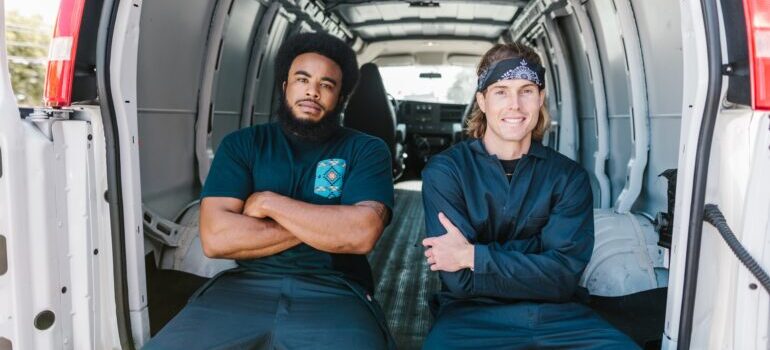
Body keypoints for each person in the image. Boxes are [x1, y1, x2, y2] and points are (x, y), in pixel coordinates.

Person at [144, 32, 395, 349]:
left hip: (336, 291)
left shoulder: (366, 149)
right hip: (242, 289)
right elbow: (216, 239)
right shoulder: (243, 144)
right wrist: (329, 224)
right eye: (302, 79)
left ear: (340, 98)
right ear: (284, 86)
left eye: (327, 85)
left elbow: (360, 234)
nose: (312, 91)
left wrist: (268, 202)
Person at [420, 42, 639, 349]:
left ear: (540, 99)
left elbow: (562, 278)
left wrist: (473, 256)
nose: (515, 105)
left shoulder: (568, 177)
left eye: (526, 91)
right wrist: (536, 258)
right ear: (482, 101)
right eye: (501, 92)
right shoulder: (447, 172)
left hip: (562, 317)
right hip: (471, 318)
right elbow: (460, 281)